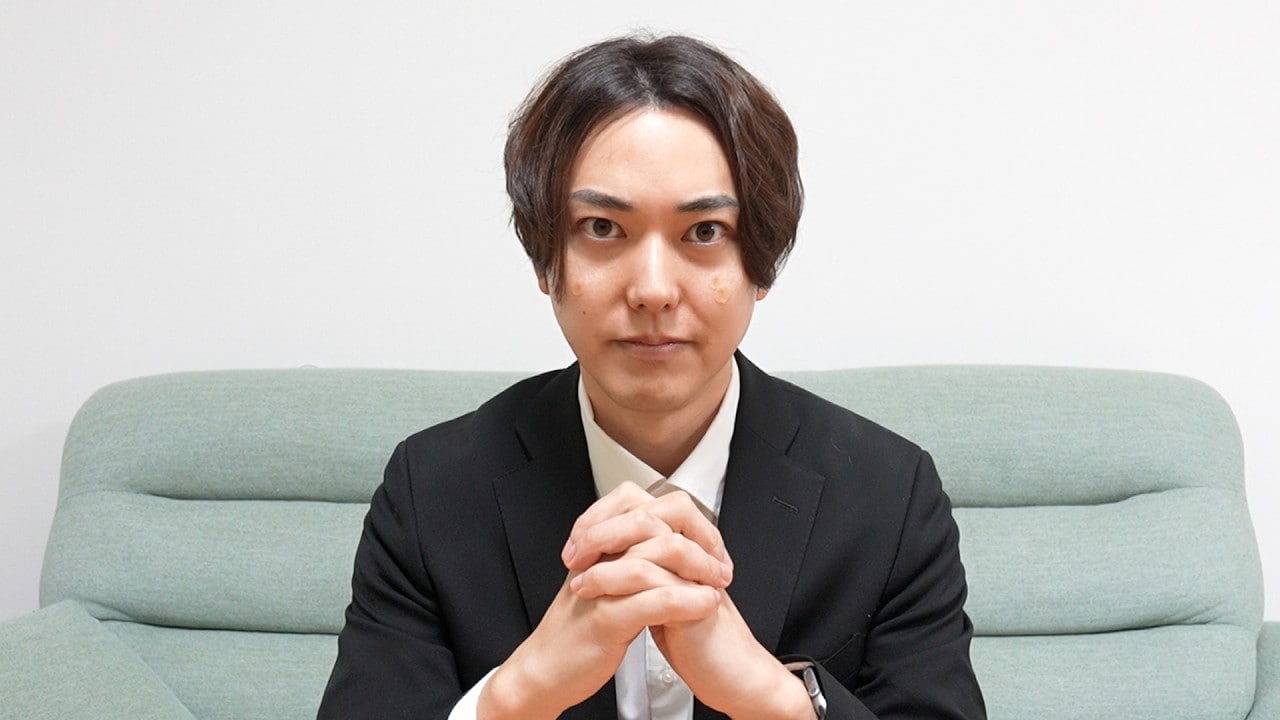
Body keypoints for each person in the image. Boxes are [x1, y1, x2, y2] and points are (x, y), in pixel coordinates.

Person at [318, 33, 985, 720]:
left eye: (705, 232)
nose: (654, 290)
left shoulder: (889, 496)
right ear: (545, 260)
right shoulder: (431, 491)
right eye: (602, 227)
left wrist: (775, 700)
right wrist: (518, 694)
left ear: (760, 265)